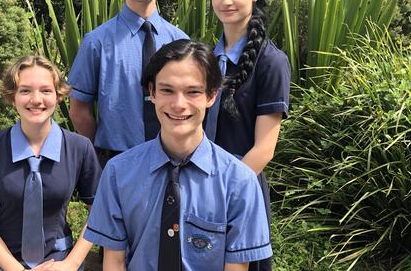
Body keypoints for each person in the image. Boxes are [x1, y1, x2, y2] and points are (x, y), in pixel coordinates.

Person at [83, 39, 272, 271]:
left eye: (193, 92)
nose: (178, 104)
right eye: (167, 90)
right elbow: (114, 262)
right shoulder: (117, 173)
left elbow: (236, 267)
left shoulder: (239, 182)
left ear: (211, 95)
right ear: (152, 92)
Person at [0, 56, 102, 271]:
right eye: (25, 91)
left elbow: (98, 212)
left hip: (58, 261)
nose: (36, 99)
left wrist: (71, 263)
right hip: (0, 261)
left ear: (58, 96)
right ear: (12, 97)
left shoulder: (79, 148)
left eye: (46, 90)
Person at [67, 0, 188, 166]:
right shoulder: (97, 42)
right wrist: (99, 159)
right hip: (114, 160)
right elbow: (78, 109)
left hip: (172, 160)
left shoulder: (181, 43)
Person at [205, 0, 291, 271]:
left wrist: (217, 193)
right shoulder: (205, 60)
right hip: (199, 188)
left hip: (239, 193)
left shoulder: (271, 62)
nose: (226, 0)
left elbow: (264, 150)